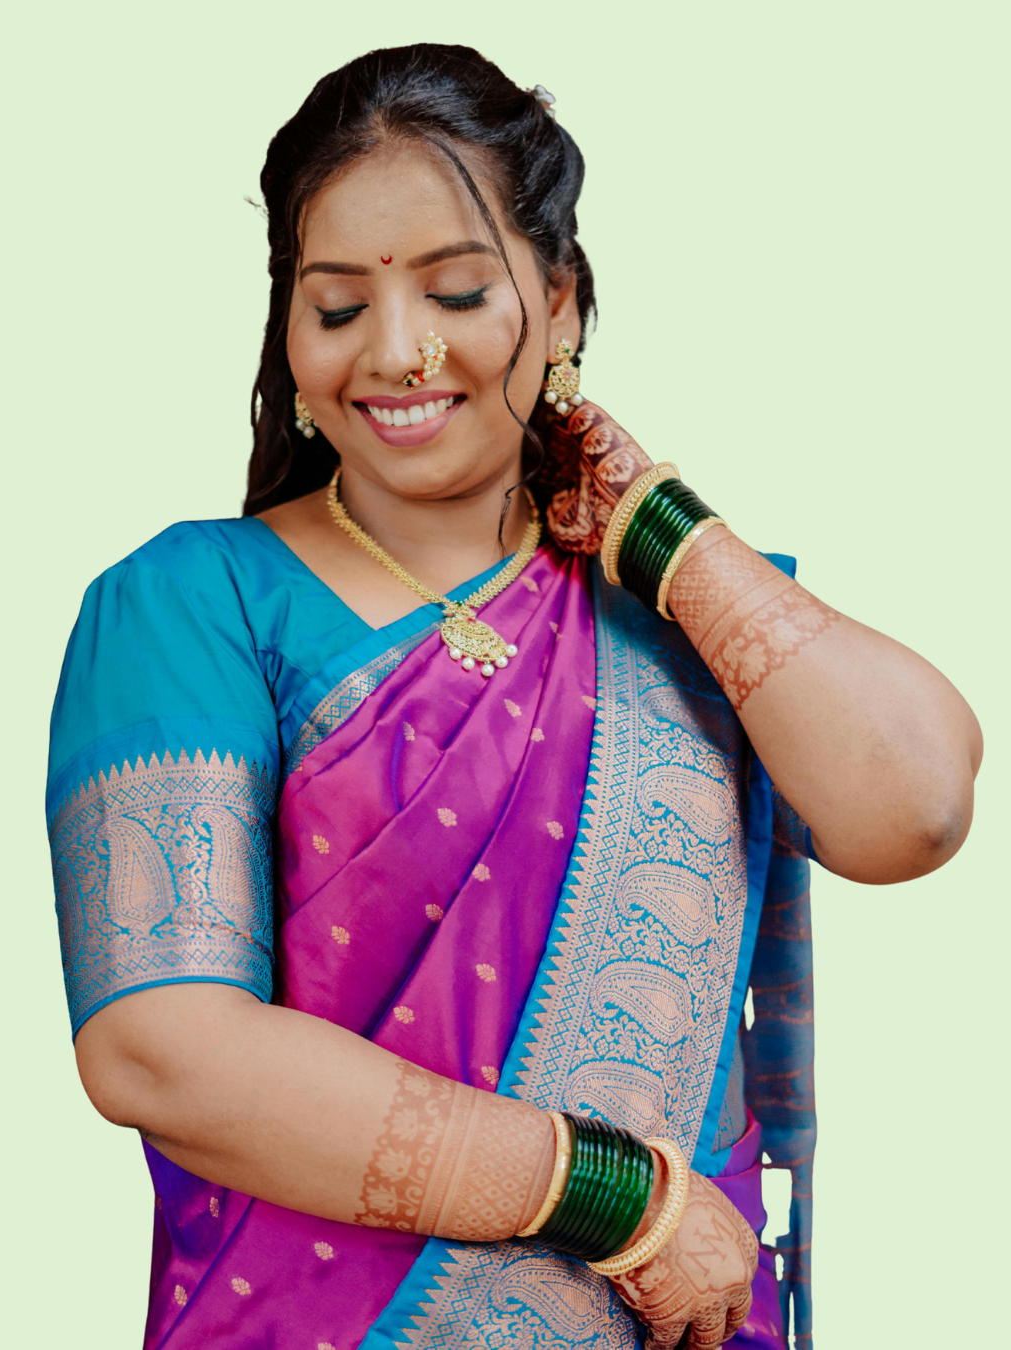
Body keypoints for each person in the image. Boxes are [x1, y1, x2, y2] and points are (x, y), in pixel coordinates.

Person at [47, 44, 981, 1350]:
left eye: (457, 291)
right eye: (338, 307)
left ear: (560, 303)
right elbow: (162, 1045)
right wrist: (611, 1196)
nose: (398, 352)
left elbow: (920, 806)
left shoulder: (687, 616)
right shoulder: (193, 604)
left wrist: (666, 532)